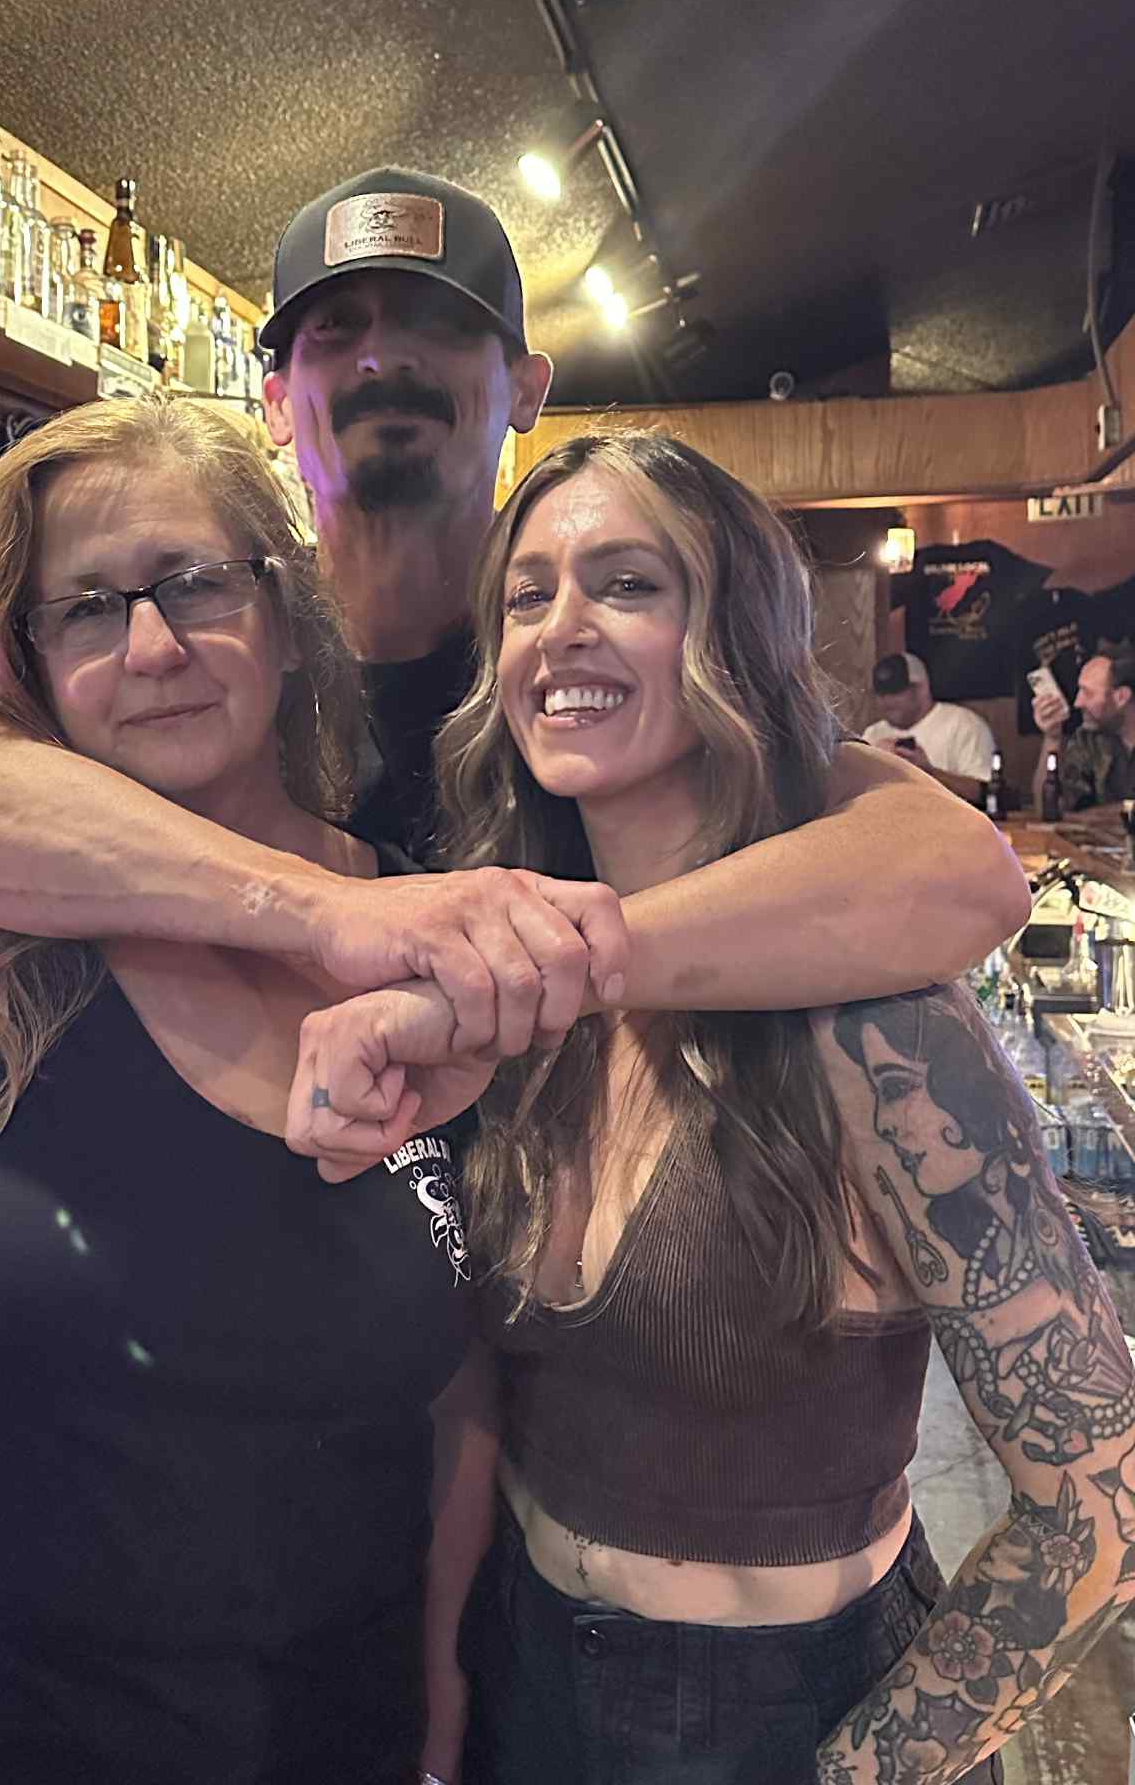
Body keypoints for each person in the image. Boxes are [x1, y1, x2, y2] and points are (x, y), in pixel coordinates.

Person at [0, 397, 617, 1784]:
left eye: (194, 583)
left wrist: (442, 1686)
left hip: (326, 1734)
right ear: (28, 665)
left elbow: (453, 1387)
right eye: (85, 609)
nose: (150, 646)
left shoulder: (425, 935)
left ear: (285, 610)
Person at [288, 430, 1135, 1785]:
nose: (561, 627)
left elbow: (1099, 1502)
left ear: (731, 638)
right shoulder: (520, 991)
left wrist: (857, 1771)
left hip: (779, 1709)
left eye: (628, 583)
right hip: (519, 1672)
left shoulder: (875, 1022)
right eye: (527, 595)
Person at [0, 169, 1027, 1040]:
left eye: (440, 322)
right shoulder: (210, 657)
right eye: (336, 330)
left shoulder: (587, 675)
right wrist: (326, 913)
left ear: (526, 387)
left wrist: (546, 973)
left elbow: (959, 869)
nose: (383, 356)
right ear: (275, 399)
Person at [863, 650, 995, 802]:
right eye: (880, 693)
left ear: (921, 688)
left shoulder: (964, 725)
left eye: (895, 691)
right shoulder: (873, 734)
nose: (886, 700)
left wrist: (928, 772)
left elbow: (983, 793)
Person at [1031, 647, 1135, 812]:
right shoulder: (1087, 740)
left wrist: (1093, 815)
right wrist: (1052, 738)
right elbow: (1049, 808)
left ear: (1122, 696)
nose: (1078, 703)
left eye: (1088, 693)